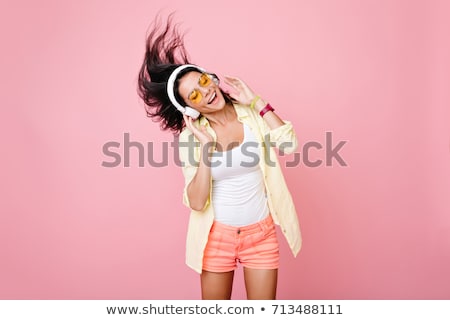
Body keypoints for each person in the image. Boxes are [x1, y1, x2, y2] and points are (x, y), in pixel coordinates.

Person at [137, 14, 302, 300]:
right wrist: (204, 151)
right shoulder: (191, 138)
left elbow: (289, 145)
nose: (206, 92)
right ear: (189, 109)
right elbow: (198, 201)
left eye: (203, 82)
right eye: (195, 96)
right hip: (216, 239)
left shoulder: (251, 114)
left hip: (260, 235)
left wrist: (257, 101)